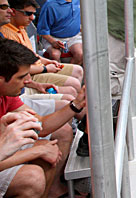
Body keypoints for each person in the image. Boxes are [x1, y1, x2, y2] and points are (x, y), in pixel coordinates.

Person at [0, 38, 85, 197]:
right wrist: (36, 151)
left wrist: (76, 104)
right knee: (33, 177)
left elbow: (41, 126)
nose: (28, 81)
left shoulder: (7, 94)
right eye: (21, 77)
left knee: (51, 145)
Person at [0, 0, 82, 96]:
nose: (32, 18)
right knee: (72, 86)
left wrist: (47, 61)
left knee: (78, 70)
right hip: (30, 75)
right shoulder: (7, 33)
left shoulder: (21, 28)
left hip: (38, 68)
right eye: (28, 13)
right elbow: (19, 67)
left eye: (34, 14)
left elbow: (31, 55)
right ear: (14, 12)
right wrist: (46, 69)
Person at [38, 0, 84, 65]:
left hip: (73, 37)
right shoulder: (50, 5)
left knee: (80, 54)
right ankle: (60, 76)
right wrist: (53, 42)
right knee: (55, 55)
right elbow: (42, 30)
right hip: (53, 37)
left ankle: (71, 74)